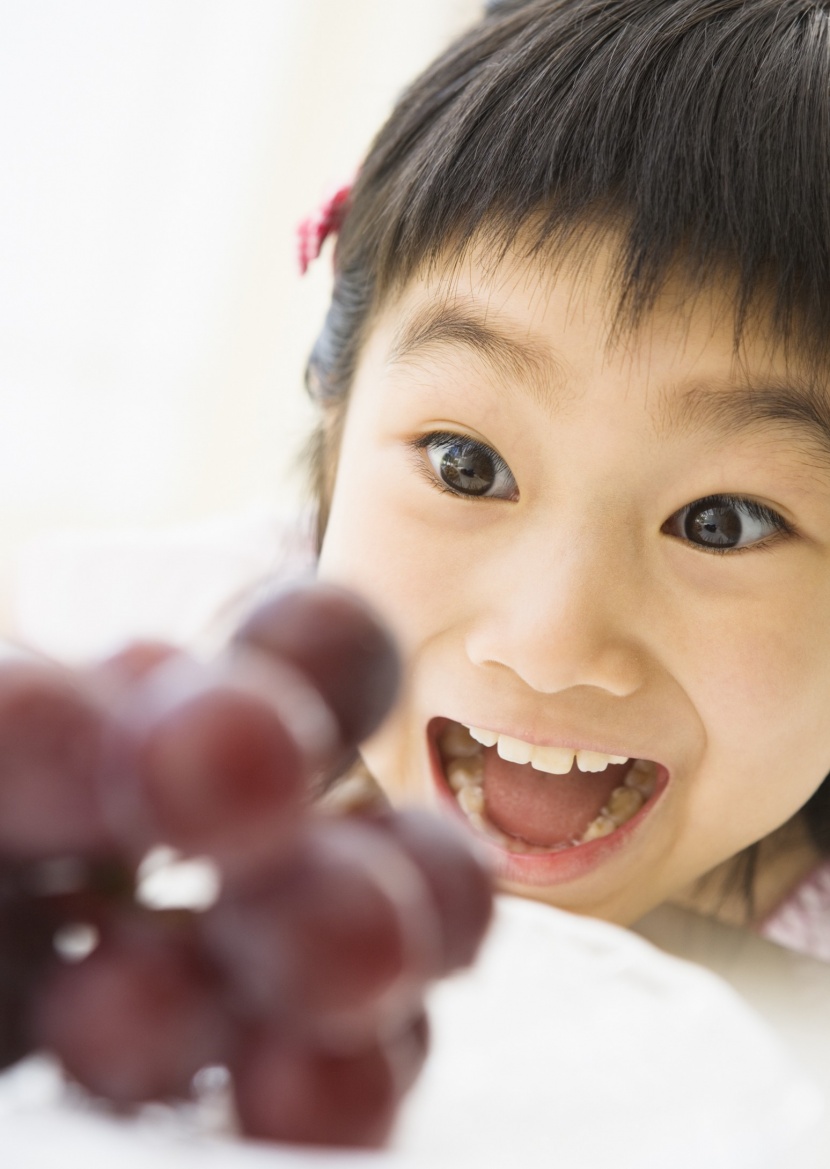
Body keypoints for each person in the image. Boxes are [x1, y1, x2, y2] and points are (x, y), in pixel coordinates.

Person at [298, 0, 830, 954]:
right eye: (468, 467)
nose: (549, 644)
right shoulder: (146, 709)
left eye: (724, 521)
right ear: (335, 419)